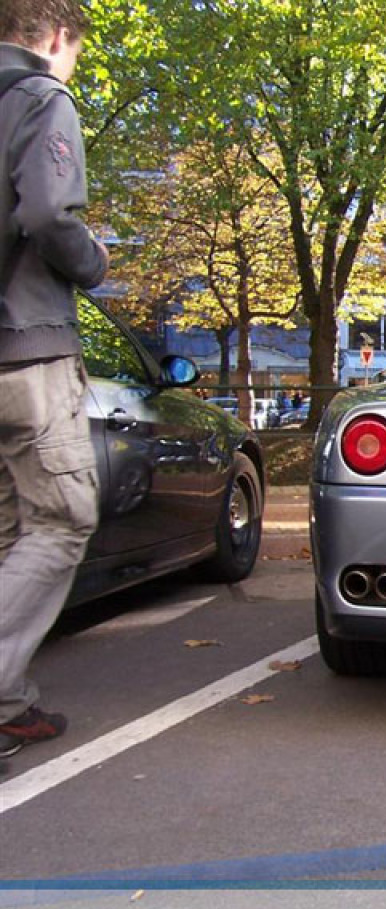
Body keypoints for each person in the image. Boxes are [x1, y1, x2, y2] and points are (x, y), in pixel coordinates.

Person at [0, 0, 108, 768]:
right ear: (57, 37)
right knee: (64, 517)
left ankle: (9, 705)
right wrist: (92, 260)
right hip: (23, 349)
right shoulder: (40, 97)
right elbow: (47, 210)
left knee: (11, 528)